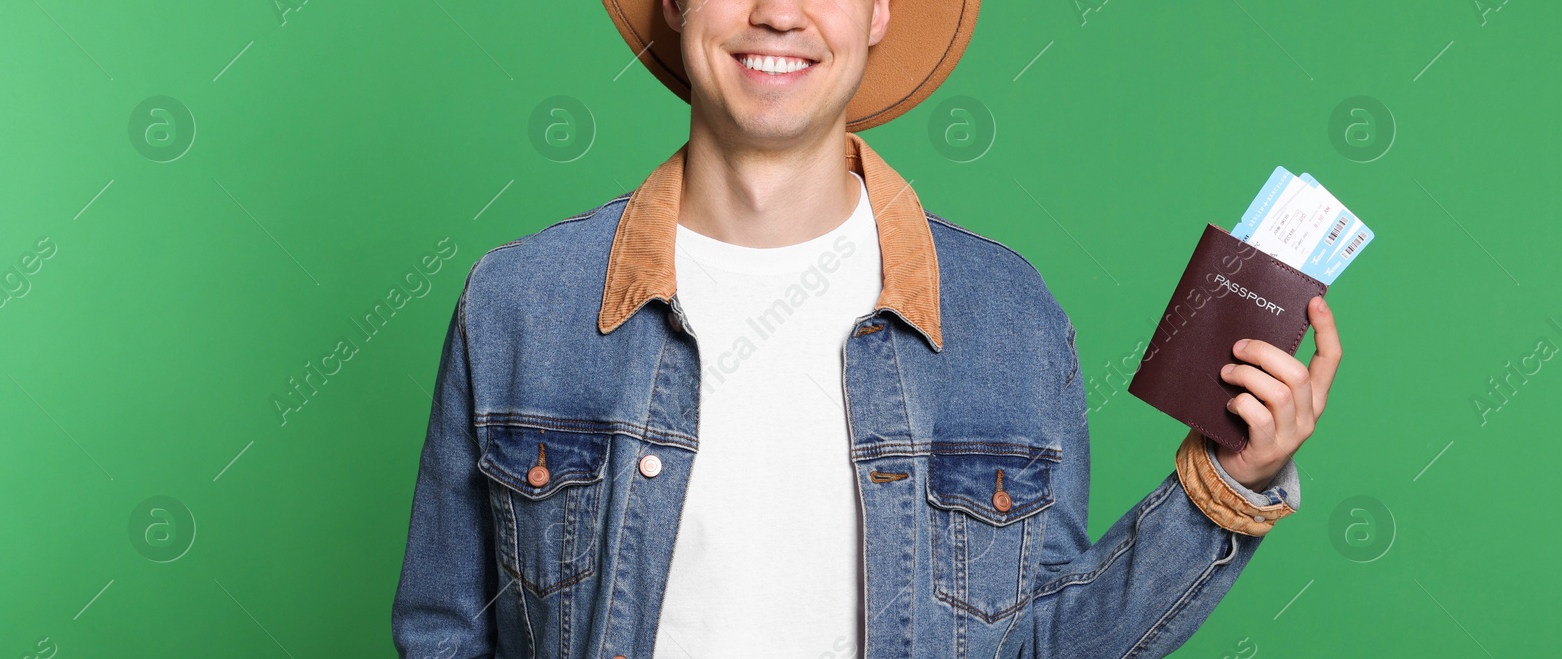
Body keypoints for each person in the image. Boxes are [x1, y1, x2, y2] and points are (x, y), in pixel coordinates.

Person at [391, 1, 1344, 657]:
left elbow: (1044, 640)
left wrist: (1230, 483)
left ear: (880, 10)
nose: (779, 11)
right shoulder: (518, 302)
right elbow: (444, 630)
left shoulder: (1006, 316)